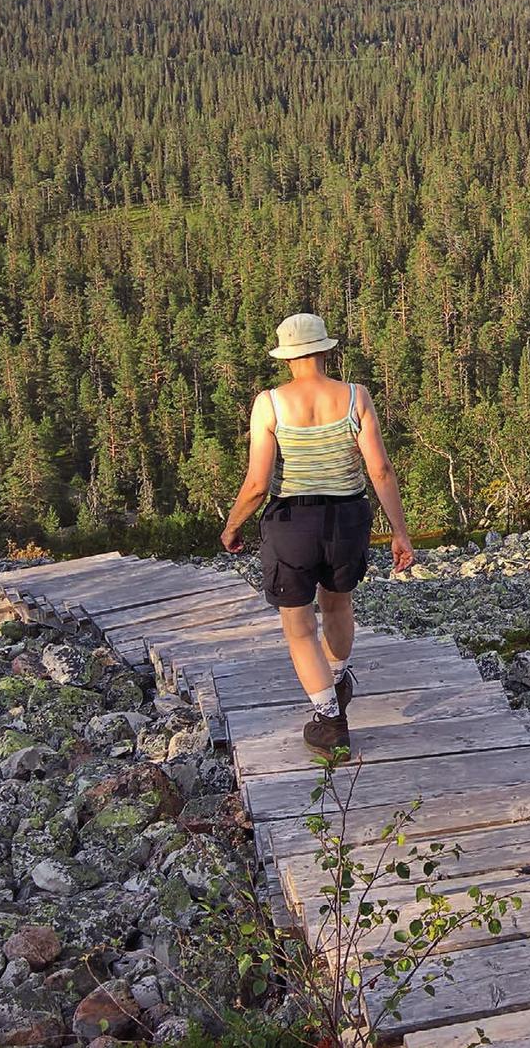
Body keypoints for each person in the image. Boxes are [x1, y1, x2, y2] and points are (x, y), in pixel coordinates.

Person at [220, 312, 415, 757]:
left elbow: (256, 483)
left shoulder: (269, 404)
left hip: (293, 522)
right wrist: (399, 533)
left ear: (287, 357)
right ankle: (339, 678)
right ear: (326, 350)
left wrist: (232, 526)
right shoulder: (355, 397)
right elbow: (380, 470)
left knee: (299, 625)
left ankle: (330, 720)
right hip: (348, 517)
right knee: (338, 603)